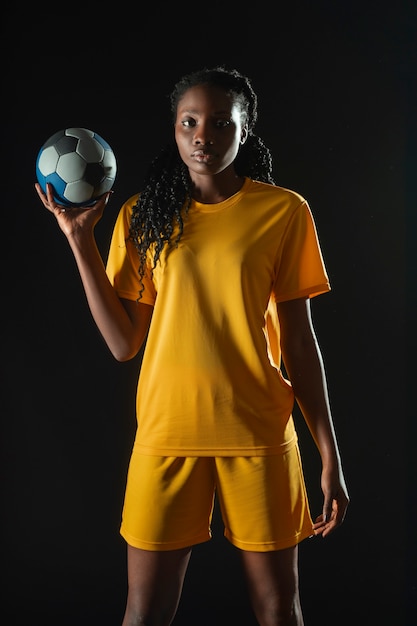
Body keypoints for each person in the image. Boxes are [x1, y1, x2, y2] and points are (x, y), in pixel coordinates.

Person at [35, 66, 349, 626]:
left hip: (258, 433)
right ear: (175, 130)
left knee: (279, 610)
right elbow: (123, 344)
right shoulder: (140, 217)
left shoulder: (284, 212)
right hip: (167, 432)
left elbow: (301, 343)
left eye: (220, 124)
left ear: (244, 130)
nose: (203, 136)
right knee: (144, 610)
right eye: (189, 122)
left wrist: (329, 454)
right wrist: (79, 241)